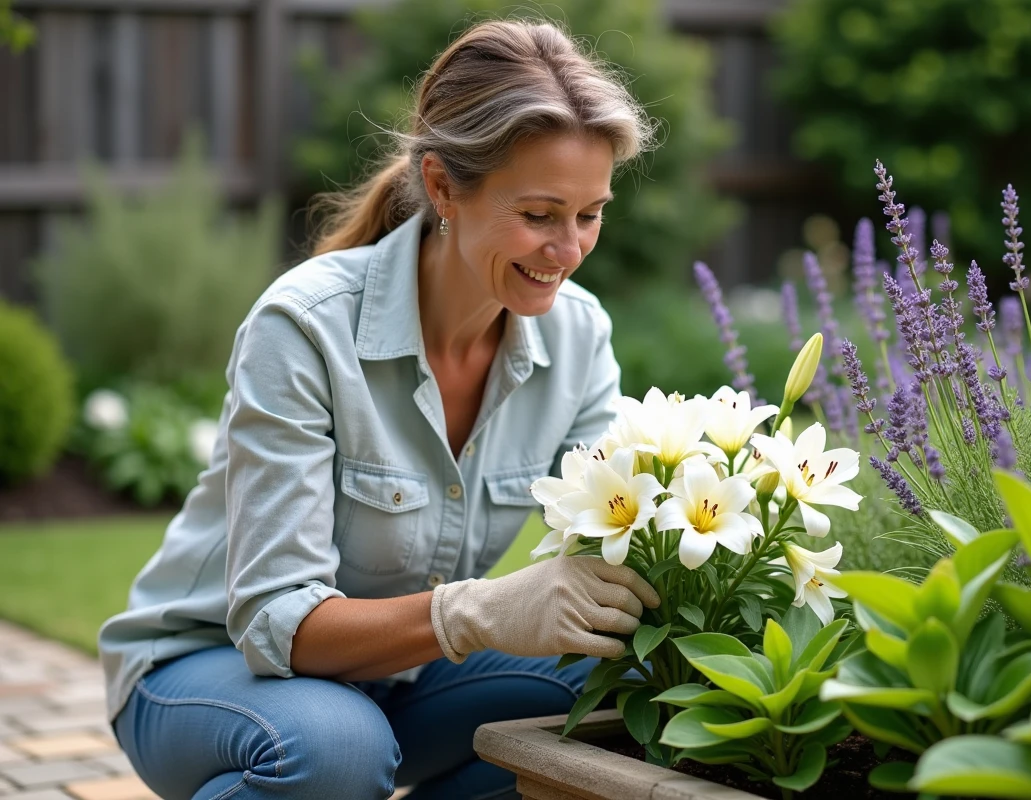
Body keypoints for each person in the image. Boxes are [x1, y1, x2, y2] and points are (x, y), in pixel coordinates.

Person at [98, 18, 661, 800]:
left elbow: (624, 527)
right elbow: (275, 624)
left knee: (621, 693)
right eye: (538, 215)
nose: (568, 250)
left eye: (589, 213)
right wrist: (478, 611)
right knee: (334, 749)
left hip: (398, 680)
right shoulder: (303, 326)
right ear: (441, 186)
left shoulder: (578, 336)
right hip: (206, 668)